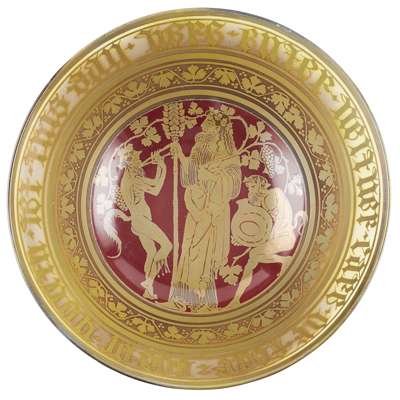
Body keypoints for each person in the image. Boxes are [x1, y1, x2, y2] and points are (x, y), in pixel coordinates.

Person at [168, 109, 241, 311]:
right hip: (196, 208)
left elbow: (233, 184)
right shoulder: (201, 148)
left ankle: (203, 300)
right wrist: (180, 155)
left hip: (214, 211)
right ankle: (186, 297)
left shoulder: (229, 155)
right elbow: (191, 176)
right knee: (190, 250)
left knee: (204, 255)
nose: (204, 127)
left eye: (209, 125)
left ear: (219, 130)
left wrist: (214, 178)